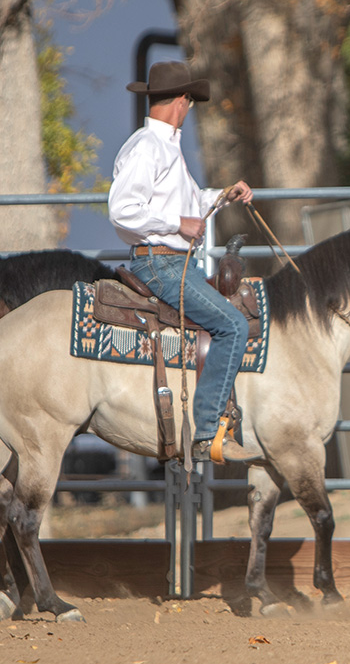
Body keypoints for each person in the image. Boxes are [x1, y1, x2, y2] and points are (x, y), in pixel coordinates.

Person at [108, 61, 254, 462]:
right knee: (232, 325)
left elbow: (190, 205)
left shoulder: (165, 148)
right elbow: (122, 211)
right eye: (190, 101)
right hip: (160, 264)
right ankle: (207, 432)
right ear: (182, 102)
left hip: (174, 262)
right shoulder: (147, 147)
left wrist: (221, 196)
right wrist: (177, 223)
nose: (189, 109)